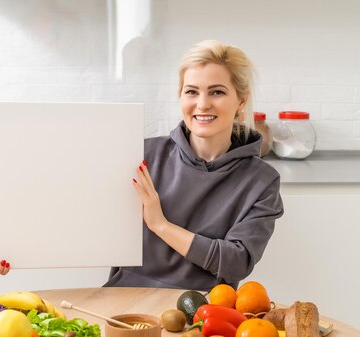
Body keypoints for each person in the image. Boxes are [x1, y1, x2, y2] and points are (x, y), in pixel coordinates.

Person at [104, 39, 283, 291]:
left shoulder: (261, 180)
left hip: (203, 309)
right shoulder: (144, 154)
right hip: (124, 297)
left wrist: (160, 225)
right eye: (191, 91)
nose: (202, 104)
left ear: (241, 101)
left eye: (217, 92)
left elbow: (237, 262)